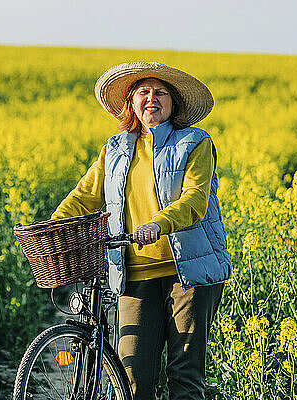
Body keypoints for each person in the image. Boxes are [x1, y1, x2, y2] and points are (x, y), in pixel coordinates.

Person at [50, 62, 232, 400]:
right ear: (131, 103)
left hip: (188, 273)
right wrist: (53, 226)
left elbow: (195, 200)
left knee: (184, 374)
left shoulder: (195, 142)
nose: (152, 98)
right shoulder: (115, 149)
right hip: (133, 275)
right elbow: (85, 196)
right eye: (143, 93)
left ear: (174, 103)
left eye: (160, 93)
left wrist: (158, 223)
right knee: (131, 379)